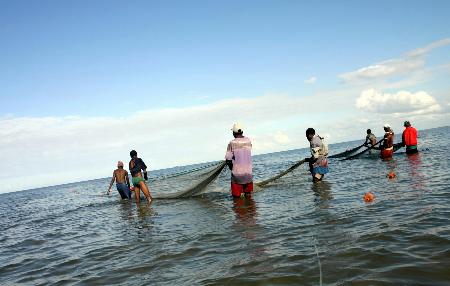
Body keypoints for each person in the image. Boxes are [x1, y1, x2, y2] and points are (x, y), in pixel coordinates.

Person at [225, 123, 253, 198]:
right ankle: (250, 209)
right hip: (248, 174)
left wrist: (231, 168)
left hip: (237, 176)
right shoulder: (248, 141)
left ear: (234, 133)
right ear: (242, 132)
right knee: (248, 196)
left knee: (237, 198)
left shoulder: (232, 143)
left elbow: (228, 159)